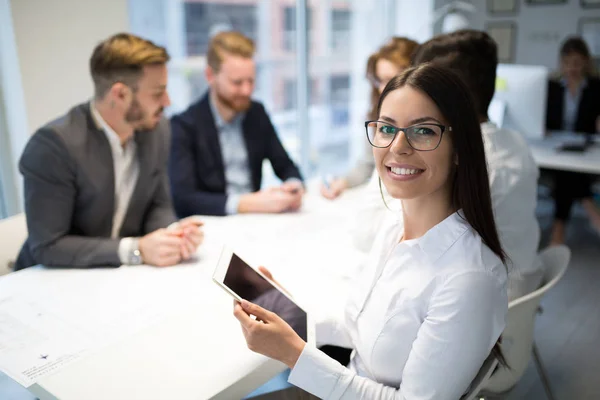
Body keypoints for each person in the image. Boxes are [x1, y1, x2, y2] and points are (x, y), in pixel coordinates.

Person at [233, 64, 508, 399]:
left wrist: (294, 353)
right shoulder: (394, 227)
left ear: (459, 148)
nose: (398, 146)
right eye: (386, 128)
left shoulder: (469, 278)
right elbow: (361, 331)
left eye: (423, 131)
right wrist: (289, 314)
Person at [15, 33, 203, 271]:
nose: (167, 102)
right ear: (120, 94)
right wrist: (137, 249)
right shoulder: (54, 145)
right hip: (51, 279)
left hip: (116, 276)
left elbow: (158, 203)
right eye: (157, 93)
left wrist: (172, 234)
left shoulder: (156, 129)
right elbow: (48, 246)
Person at [412, 30, 542, 300]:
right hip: (522, 288)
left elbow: (417, 249)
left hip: (486, 303)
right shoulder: (514, 141)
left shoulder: (463, 160)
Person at [169, 31, 304, 217]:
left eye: (251, 81)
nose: (246, 91)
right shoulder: (184, 126)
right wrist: (247, 203)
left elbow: (286, 165)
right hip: (214, 223)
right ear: (210, 75)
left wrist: (293, 186)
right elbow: (184, 199)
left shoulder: (256, 113)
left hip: (257, 220)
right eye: (237, 83)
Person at [321, 37, 419, 200]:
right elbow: (368, 163)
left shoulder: (430, 119)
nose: (382, 89)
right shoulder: (376, 115)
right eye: (379, 80)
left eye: (390, 79)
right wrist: (342, 182)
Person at [545, 36, 600, 245]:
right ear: (561, 62)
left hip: (585, 150)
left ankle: (559, 228)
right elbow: (545, 119)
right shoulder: (552, 87)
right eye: (567, 63)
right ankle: (589, 207)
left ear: (586, 62)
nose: (572, 68)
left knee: (568, 172)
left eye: (577, 63)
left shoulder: (596, 88)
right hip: (554, 148)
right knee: (566, 170)